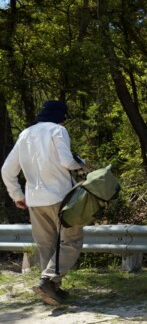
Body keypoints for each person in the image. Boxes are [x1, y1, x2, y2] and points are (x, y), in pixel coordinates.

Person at [2, 100, 89, 306]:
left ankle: (52, 291)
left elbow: (6, 170)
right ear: (61, 116)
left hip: (34, 201)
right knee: (71, 240)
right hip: (61, 197)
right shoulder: (57, 130)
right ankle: (48, 280)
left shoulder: (25, 134)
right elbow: (67, 161)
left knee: (46, 245)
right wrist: (82, 163)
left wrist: (17, 196)